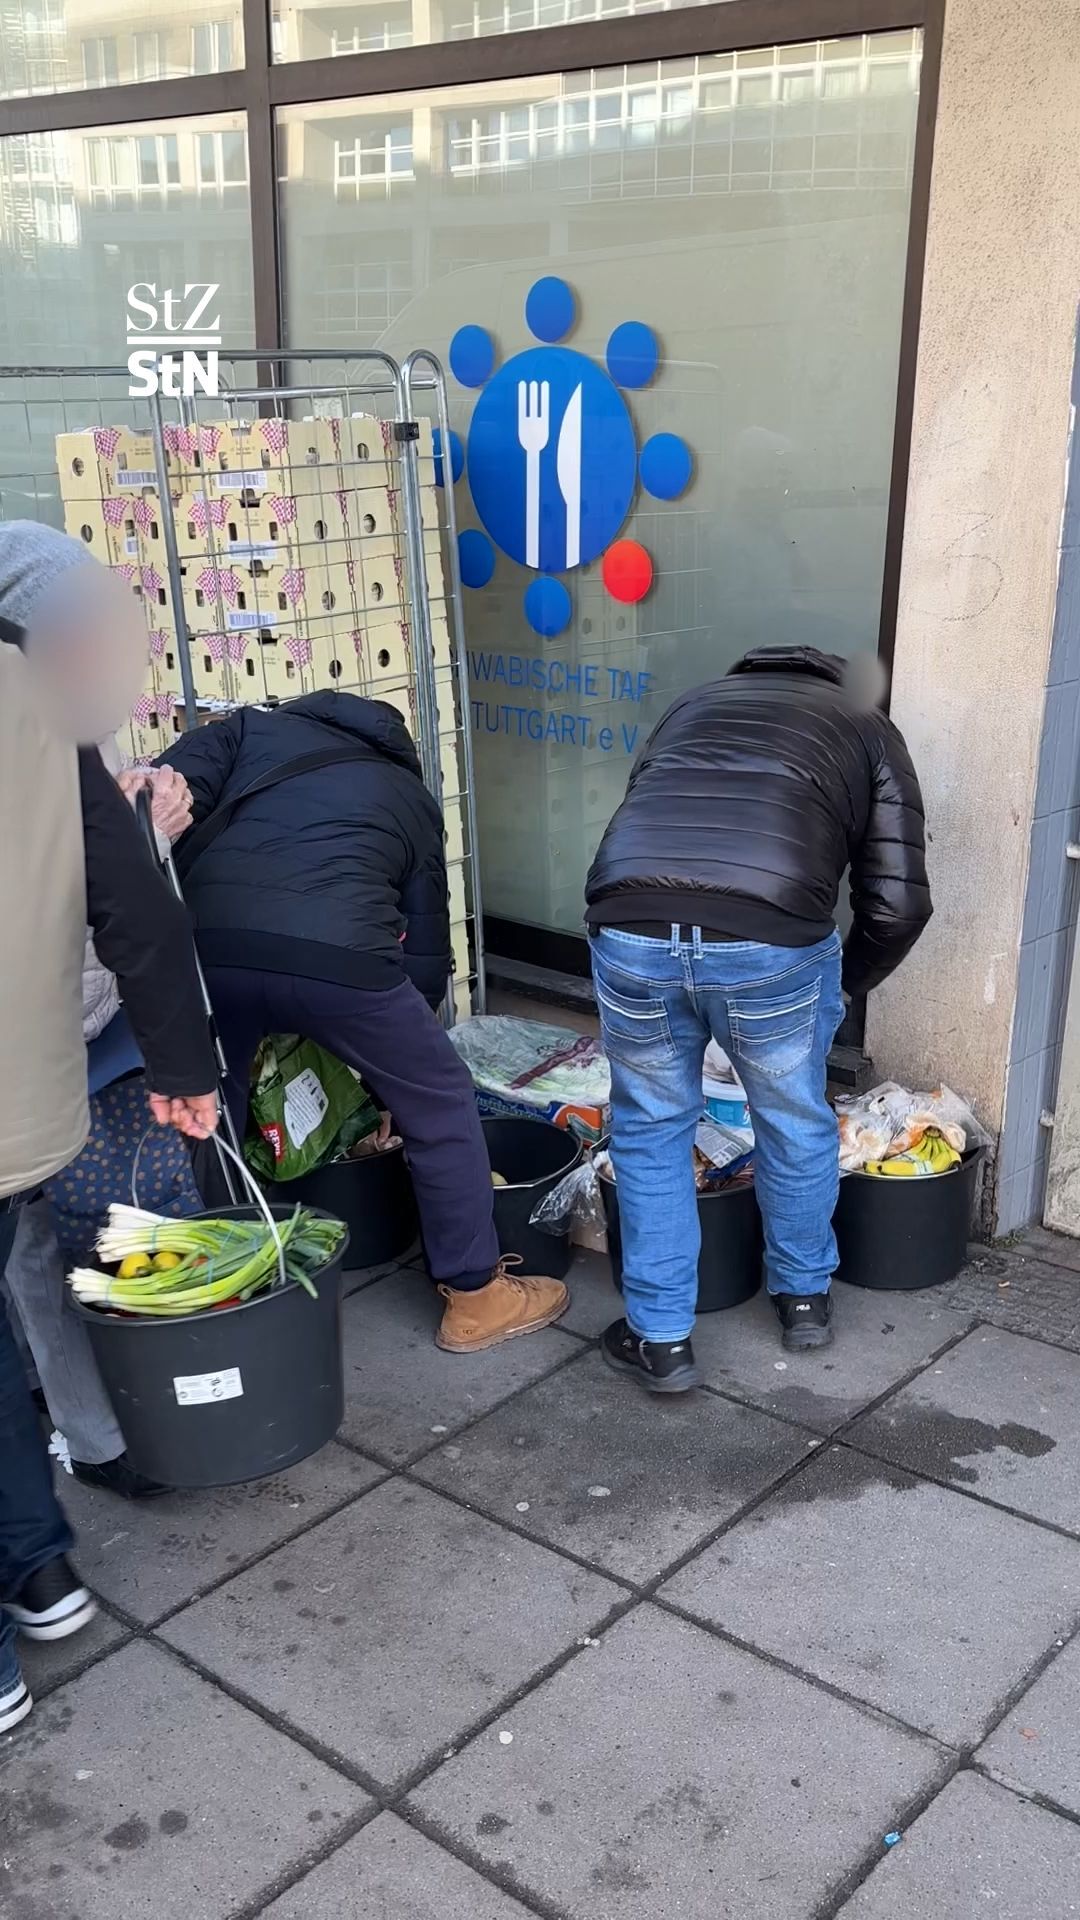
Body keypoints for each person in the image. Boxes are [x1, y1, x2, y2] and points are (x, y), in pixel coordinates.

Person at [156, 690, 568, 1354]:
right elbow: (426, 962)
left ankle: (215, 1289)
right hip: (342, 960)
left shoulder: (245, 734)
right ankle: (476, 1298)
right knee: (439, 1100)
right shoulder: (408, 798)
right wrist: (389, 1080)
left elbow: (158, 798)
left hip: (208, 950)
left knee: (211, 1111)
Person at [0, 521, 219, 1734]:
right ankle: (40, 1559)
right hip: (32, 1078)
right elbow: (126, 893)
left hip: (37, 1062)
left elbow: (122, 887)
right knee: (17, 1283)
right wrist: (185, 1062)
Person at [585, 645, 931, 1392]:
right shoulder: (867, 725)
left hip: (632, 922)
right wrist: (841, 987)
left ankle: (661, 1339)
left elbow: (645, 815)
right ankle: (803, 1297)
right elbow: (898, 903)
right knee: (792, 1119)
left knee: (649, 1127)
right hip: (770, 941)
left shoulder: (693, 703)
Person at [4, 751, 202, 1500]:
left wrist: (138, 829)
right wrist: (132, 842)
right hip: (43, 1032)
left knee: (56, 1225)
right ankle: (95, 1438)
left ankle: (68, 1408)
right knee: (38, 1233)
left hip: (81, 1017)